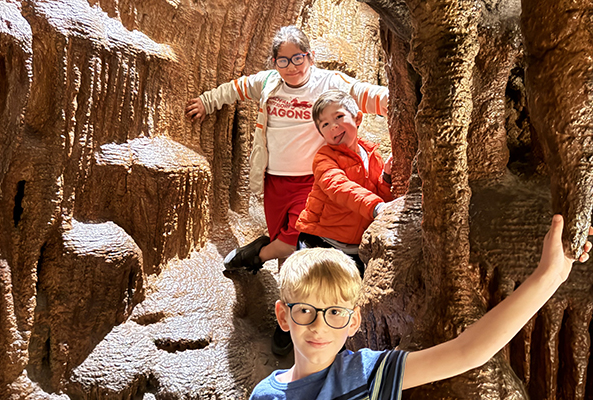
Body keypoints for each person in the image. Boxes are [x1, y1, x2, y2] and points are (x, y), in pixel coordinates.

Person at [249, 215, 592, 398]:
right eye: (305, 310)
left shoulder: (365, 374)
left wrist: (548, 279)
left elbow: (467, 351)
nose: (319, 326)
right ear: (283, 314)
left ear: (354, 322)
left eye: (335, 312)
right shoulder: (264, 395)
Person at [185, 26, 388, 275]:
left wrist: (396, 100)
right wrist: (207, 102)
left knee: (294, 237)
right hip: (274, 179)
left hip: (311, 180)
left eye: (297, 58)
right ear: (274, 62)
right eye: (283, 60)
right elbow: (236, 88)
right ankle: (282, 290)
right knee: (280, 235)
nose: (291, 67)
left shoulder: (329, 81)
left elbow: (364, 94)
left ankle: (255, 256)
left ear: (310, 56)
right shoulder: (269, 82)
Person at [296, 90, 394, 278]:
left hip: (358, 249)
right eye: (325, 124)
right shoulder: (324, 158)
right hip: (321, 242)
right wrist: (377, 207)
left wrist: (387, 177)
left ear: (357, 118)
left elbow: (382, 195)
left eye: (339, 117)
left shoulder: (373, 155)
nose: (333, 126)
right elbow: (338, 187)